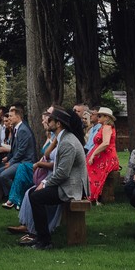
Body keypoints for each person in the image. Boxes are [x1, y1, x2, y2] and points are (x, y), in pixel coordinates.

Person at [24, 107, 90, 250]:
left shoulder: (67, 142)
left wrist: (45, 183)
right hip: (65, 183)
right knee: (32, 193)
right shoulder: (63, 138)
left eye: (51, 120)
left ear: (58, 124)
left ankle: (45, 241)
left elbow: (62, 173)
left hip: (71, 188)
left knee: (36, 197)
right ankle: (39, 236)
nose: (47, 121)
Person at [0, 106, 36, 206]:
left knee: (4, 175)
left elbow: (21, 151)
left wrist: (11, 162)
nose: (9, 118)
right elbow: (14, 148)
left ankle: (17, 198)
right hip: (19, 160)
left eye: (11, 116)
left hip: (26, 162)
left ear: (18, 117)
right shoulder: (16, 129)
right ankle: (13, 197)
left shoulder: (23, 130)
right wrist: (8, 157)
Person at [86, 107, 120, 203]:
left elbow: (105, 143)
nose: (98, 117)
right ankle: (91, 194)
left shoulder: (107, 127)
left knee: (91, 169)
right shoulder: (103, 127)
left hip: (107, 157)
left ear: (106, 117)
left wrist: (93, 155)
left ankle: (93, 195)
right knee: (88, 167)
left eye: (100, 116)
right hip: (102, 155)